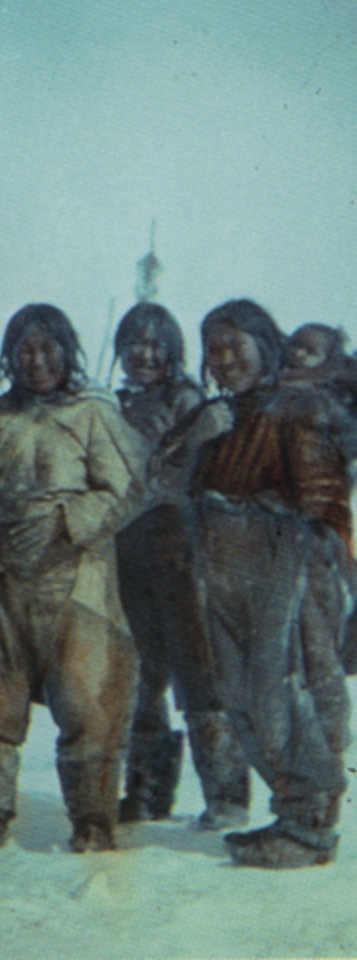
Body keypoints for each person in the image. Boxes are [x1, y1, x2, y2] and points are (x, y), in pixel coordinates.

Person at [0, 303, 145, 852]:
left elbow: (127, 485)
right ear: (10, 358)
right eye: (25, 350)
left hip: (76, 578)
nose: (37, 361)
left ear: (68, 351)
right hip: (0, 583)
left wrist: (70, 520)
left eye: (48, 349)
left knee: (88, 701)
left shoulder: (93, 416)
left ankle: (92, 820)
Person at [189, 299, 352, 868]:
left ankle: (310, 823)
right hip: (224, 571)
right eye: (214, 347)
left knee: (286, 692)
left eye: (236, 343)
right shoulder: (222, 417)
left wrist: (316, 564)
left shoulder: (296, 407)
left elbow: (324, 496)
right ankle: (290, 811)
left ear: (265, 340)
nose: (225, 357)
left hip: (284, 568)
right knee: (240, 700)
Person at [110, 303, 207, 824]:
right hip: (124, 557)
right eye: (133, 344)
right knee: (138, 675)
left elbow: (185, 475)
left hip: (176, 553)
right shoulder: (111, 403)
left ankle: (222, 795)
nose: (143, 355)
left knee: (193, 674)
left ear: (172, 349)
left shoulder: (188, 402)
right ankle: (145, 790)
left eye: (154, 345)